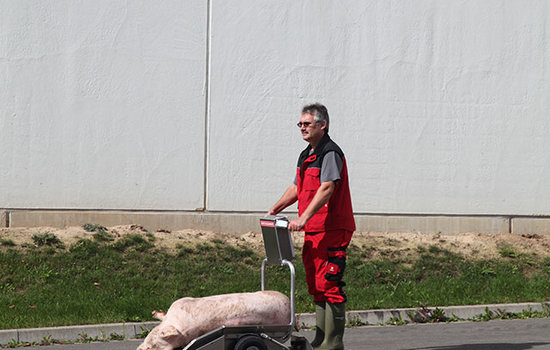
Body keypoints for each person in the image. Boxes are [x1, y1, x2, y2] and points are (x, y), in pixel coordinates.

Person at [267, 103, 355, 350]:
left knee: (330, 283)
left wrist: (303, 217)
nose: (302, 128)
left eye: (307, 123)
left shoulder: (330, 153)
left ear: (322, 125)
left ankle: (333, 342)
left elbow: (327, 188)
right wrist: (276, 209)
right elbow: (296, 188)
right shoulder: (307, 155)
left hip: (333, 229)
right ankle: (320, 339)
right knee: (316, 284)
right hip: (315, 230)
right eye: (301, 124)